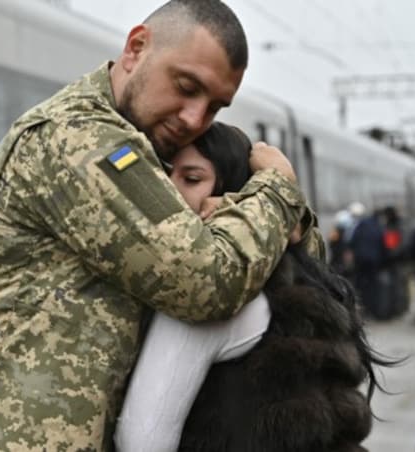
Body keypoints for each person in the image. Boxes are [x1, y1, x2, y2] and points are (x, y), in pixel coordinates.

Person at [0, 1, 323, 450]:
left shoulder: (149, 152)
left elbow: (301, 270)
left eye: (214, 107)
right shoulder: (77, 139)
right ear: (136, 49)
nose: (195, 118)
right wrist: (274, 189)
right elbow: (205, 281)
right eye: (186, 86)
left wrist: (266, 216)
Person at [116, 123, 393, 451]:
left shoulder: (203, 296)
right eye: (159, 177)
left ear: (234, 191)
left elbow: (143, 442)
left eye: (191, 179)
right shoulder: (300, 279)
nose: (168, 193)